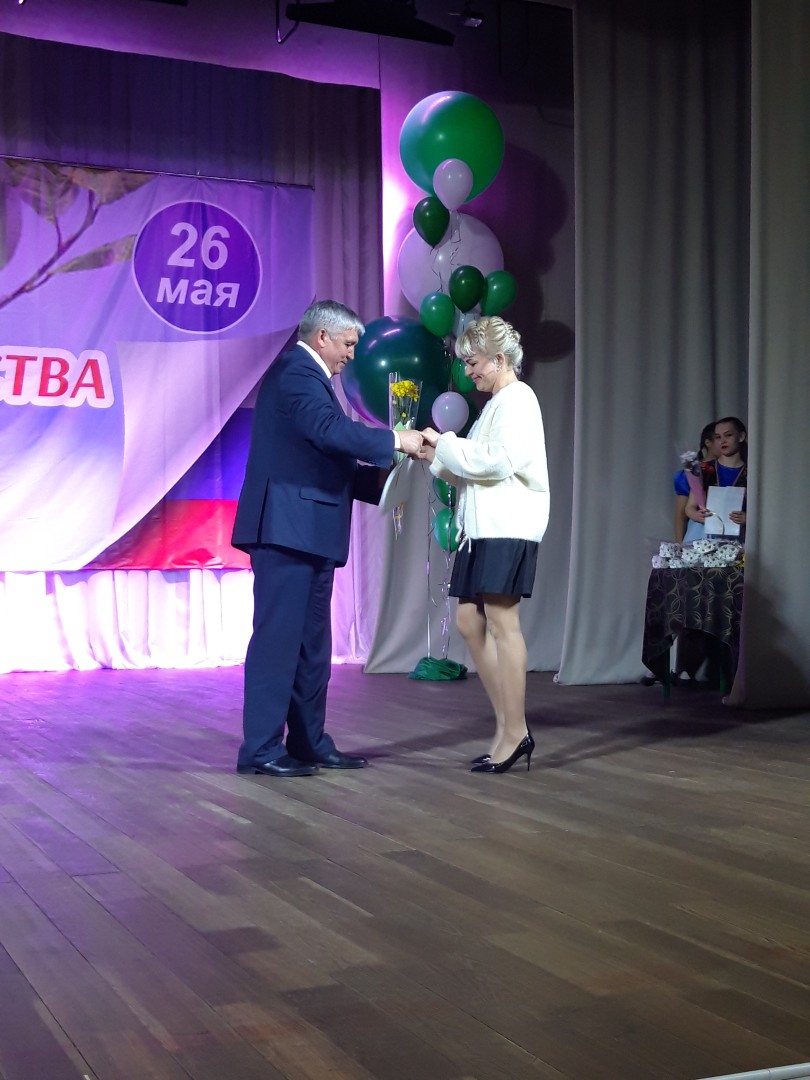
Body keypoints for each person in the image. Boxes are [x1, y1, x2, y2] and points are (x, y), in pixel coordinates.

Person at [232, 300, 423, 777]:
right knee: (279, 643)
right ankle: (261, 749)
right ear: (322, 337)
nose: (352, 356)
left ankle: (308, 741)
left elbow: (325, 457)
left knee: (312, 648)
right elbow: (328, 431)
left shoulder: (311, 379)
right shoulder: (297, 371)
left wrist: (388, 479)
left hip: (308, 530)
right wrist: (395, 440)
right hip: (286, 530)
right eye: (348, 344)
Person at [417, 316, 550, 774]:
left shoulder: (518, 399)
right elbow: (474, 469)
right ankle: (509, 725)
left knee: (501, 622)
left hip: (507, 525)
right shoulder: (497, 404)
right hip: (482, 528)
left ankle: (515, 732)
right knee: (469, 621)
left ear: (499, 359)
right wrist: (434, 453)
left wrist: (445, 443)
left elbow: (498, 462)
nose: (468, 371)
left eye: (473, 362)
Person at [685, 415, 747, 539]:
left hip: (736, 536)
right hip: (703, 535)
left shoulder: (751, 473)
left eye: (728, 435)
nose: (722, 441)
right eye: (718, 437)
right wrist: (696, 515)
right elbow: (689, 507)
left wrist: (747, 518)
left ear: (741, 436)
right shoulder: (704, 469)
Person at [673, 421, 717, 544]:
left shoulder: (739, 470)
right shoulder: (690, 473)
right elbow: (681, 515)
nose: (723, 442)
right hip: (698, 534)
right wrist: (679, 546)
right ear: (708, 442)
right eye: (718, 437)